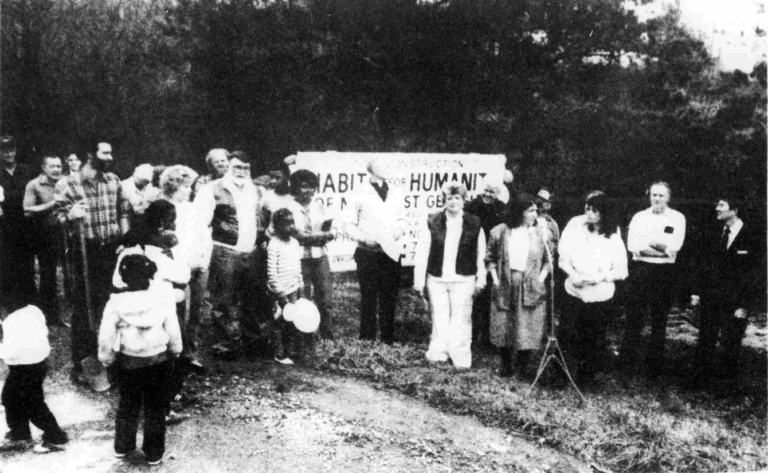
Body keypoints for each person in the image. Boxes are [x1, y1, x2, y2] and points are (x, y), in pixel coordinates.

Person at [55, 141, 131, 384]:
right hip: (83, 252)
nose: (110, 156)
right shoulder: (68, 183)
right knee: (84, 307)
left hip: (112, 249)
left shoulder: (113, 180)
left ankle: (114, 359)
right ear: (90, 154)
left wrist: (124, 239)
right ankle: (82, 363)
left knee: (115, 302)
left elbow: (123, 211)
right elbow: (53, 219)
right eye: (105, 152)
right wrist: (69, 216)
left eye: (111, 151)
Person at [98, 253, 182, 466]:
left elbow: (106, 335)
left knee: (128, 403)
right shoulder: (162, 298)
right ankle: (153, 452)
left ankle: (123, 445)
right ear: (150, 275)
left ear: (124, 278)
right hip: (158, 359)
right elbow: (172, 327)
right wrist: (176, 351)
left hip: (129, 361)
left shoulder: (116, 303)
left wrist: (107, 359)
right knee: (155, 405)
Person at [194, 150, 262, 357]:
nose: (241, 171)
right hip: (225, 252)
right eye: (237, 167)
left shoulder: (256, 190)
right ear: (228, 168)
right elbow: (199, 223)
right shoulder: (211, 190)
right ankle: (223, 344)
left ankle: (251, 342)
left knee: (251, 299)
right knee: (223, 300)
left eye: (246, 168)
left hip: (251, 251)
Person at [690, 196, 765, 384]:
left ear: (735, 210)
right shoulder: (714, 233)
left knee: (731, 342)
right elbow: (704, 266)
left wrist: (744, 306)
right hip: (711, 298)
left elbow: (756, 275)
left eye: (721, 205)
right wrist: (698, 293)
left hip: (736, 301)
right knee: (706, 337)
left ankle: (726, 385)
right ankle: (700, 381)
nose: (716, 208)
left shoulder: (753, 237)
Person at [558, 191, 628, 387]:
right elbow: (563, 258)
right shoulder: (575, 229)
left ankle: (586, 377)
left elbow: (621, 270)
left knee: (593, 336)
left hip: (599, 294)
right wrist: (573, 275)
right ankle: (560, 375)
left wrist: (600, 278)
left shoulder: (613, 237)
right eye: (587, 209)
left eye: (594, 210)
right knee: (566, 333)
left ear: (604, 213)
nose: (588, 213)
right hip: (574, 290)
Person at [414, 182, 486, 368]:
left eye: (457, 198)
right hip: (437, 278)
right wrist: (419, 281)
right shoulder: (433, 221)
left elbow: (481, 253)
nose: (453, 202)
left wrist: (481, 278)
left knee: (461, 318)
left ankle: (460, 358)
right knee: (440, 316)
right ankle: (438, 354)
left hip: (464, 279)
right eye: (449, 198)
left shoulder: (474, 223)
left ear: (463, 200)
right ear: (443, 201)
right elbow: (423, 251)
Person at [621, 181, 686, 377]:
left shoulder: (677, 218)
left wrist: (650, 244)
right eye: (654, 195)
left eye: (661, 195)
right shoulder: (639, 217)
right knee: (634, 317)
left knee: (660, 320)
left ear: (669, 197)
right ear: (649, 196)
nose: (657, 199)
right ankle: (626, 364)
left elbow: (675, 247)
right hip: (641, 272)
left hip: (665, 274)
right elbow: (633, 245)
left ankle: (654, 367)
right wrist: (662, 249)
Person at [485, 197, 551, 378]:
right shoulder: (501, 231)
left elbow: (549, 259)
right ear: (519, 212)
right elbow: (489, 257)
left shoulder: (542, 234)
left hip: (530, 283)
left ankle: (523, 367)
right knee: (504, 322)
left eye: (535, 211)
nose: (534, 214)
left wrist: (540, 278)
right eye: (530, 211)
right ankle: (506, 364)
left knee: (527, 324)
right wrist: (495, 279)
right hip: (506, 280)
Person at [342, 158, 406, 344]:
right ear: (371, 170)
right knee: (369, 298)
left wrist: (397, 232)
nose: (388, 168)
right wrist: (366, 238)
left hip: (391, 253)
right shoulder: (359, 192)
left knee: (390, 298)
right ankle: (366, 341)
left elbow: (403, 220)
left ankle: (387, 341)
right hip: (367, 254)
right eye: (384, 166)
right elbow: (348, 225)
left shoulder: (395, 192)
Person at [0, 292, 69, 453]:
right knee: (13, 397)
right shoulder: (34, 311)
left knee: (30, 403)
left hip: (23, 366)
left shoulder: (11, 322)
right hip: (39, 363)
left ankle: (55, 436)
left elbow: (11, 352)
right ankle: (19, 433)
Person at [158, 165, 208, 368]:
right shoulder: (163, 209)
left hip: (198, 266)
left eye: (190, 186)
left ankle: (190, 351)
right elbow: (167, 244)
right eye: (185, 187)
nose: (189, 191)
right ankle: (172, 355)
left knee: (195, 311)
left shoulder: (193, 209)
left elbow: (205, 237)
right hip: (178, 269)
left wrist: (203, 260)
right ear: (173, 187)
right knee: (176, 311)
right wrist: (182, 266)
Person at [290, 169, 336, 340]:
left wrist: (316, 237)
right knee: (303, 298)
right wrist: (318, 237)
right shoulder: (289, 208)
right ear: (296, 188)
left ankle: (327, 336)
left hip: (320, 257)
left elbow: (330, 232)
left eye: (311, 187)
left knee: (325, 300)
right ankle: (305, 336)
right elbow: (297, 235)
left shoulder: (320, 206)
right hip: (299, 259)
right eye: (303, 187)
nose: (308, 191)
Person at [23, 155, 67, 326]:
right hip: (44, 236)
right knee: (48, 275)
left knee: (67, 274)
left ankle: (61, 314)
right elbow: (27, 210)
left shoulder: (65, 182)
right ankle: (47, 316)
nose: (57, 169)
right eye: (52, 166)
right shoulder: (34, 185)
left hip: (65, 234)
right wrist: (52, 204)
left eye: (59, 166)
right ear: (43, 167)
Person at [465, 175, 506, 350]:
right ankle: (472, 337)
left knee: (491, 298)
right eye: (486, 191)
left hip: (494, 258)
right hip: (472, 255)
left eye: (492, 192)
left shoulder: (502, 209)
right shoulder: (471, 206)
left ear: (497, 193)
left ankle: (488, 339)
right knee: (473, 297)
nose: (488, 195)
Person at [0, 135, 36, 307]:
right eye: (4, 151)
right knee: (8, 260)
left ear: (16, 151)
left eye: (11, 150)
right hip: (5, 222)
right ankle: (10, 300)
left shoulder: (25, 170)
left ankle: (29, 299)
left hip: (25, 221)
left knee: (27, 259)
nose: (8, 154)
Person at [267, 208, 304, 364]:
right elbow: (271, 272)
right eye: (286, 223)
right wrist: (280, 294)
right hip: (279, 291)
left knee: (291, 320)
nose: (291, 227)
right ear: (277, 226)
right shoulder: (274, 244)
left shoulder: (295, 243)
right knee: (278, 321)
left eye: (292, 222)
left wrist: (300, 284)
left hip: (293, 288)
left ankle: (290, 350)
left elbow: (297, 266)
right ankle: (279, 352)